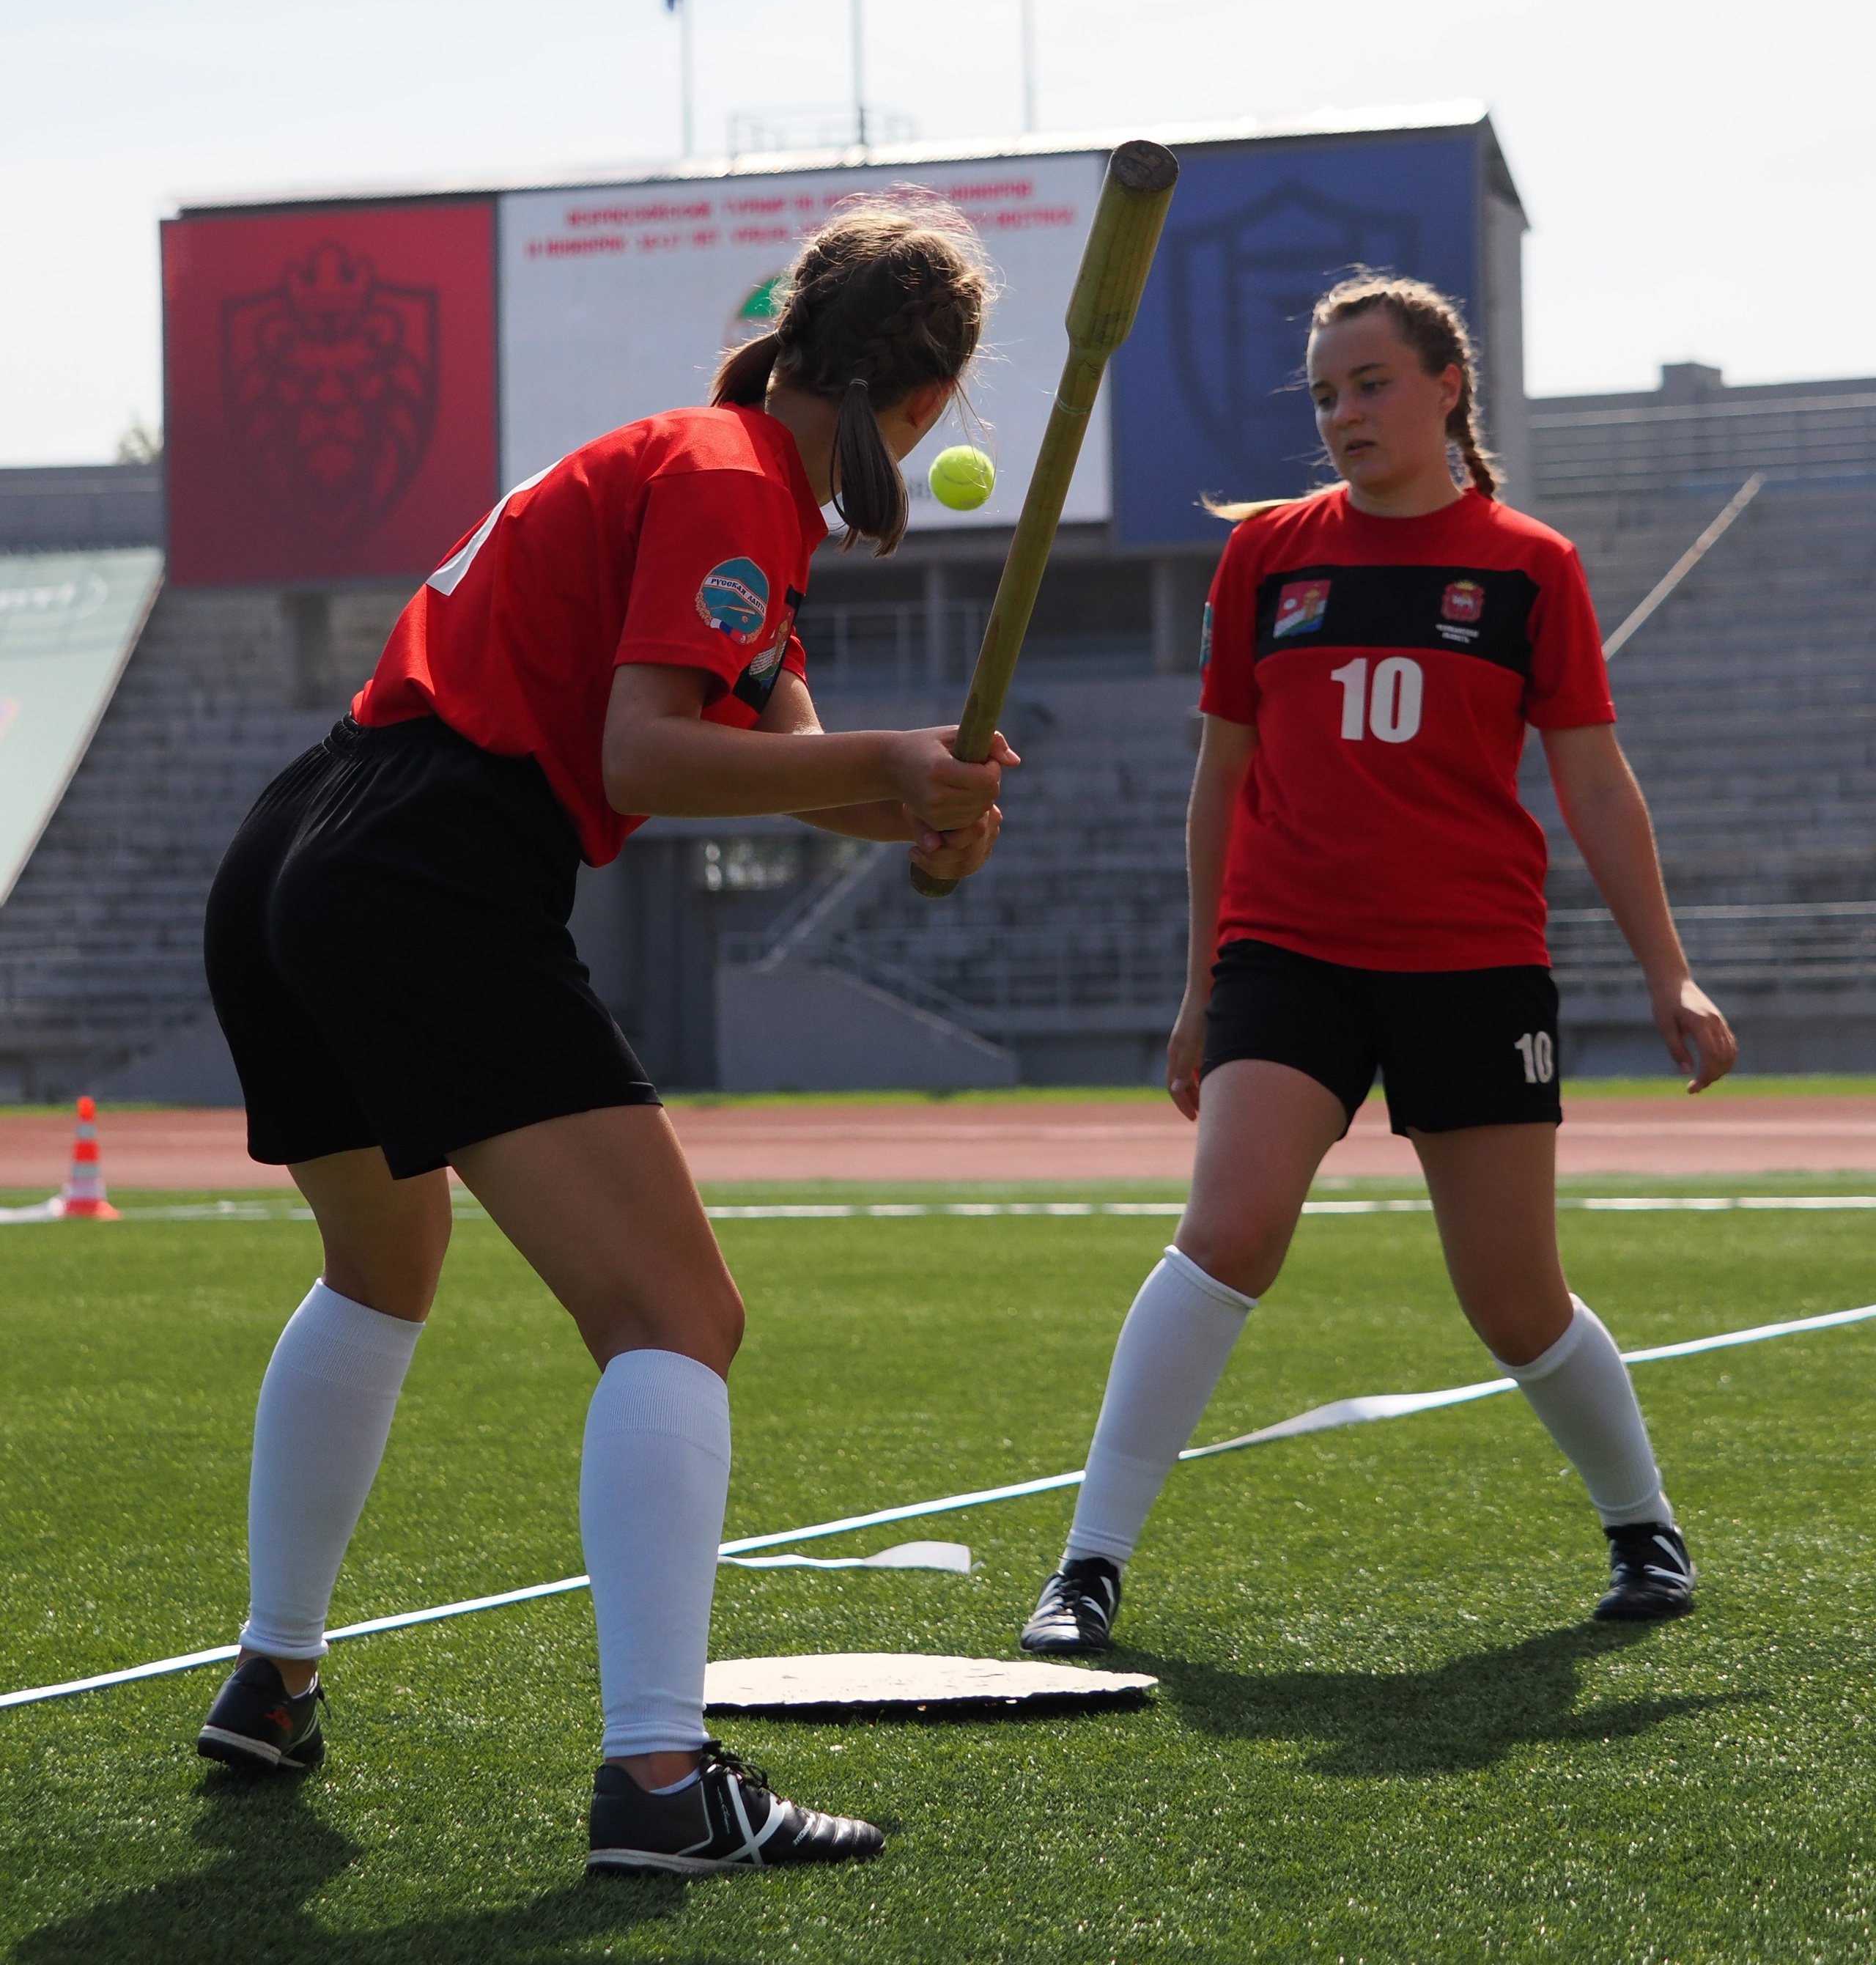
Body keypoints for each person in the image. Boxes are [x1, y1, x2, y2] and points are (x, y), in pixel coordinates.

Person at [195, 196, 1014, 1878]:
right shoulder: (724, 484)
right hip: (432, 865)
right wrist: (891, 762)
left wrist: (912, 804)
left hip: (305, 845)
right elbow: (647, 760)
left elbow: (777, 752)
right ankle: (656, 1777)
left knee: (381, 1266)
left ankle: (273, 1674)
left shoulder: (711, 464)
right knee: (677, 1313)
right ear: (926, 399)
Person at [1020, 270, 1735, 1659]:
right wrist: (1198, 987)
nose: (1345, 412)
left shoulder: (1533, 566)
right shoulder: (1267, 556)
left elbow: (1593, 782)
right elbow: (1219, 783)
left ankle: (1643, 1527)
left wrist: (1672, 972)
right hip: (1288, 954)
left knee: (1512, 1298)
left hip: (1473, 959)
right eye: (1327, 393)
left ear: (1447, 386)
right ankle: (1088, 1567)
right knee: (1227, 1235)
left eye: (1372, 384)